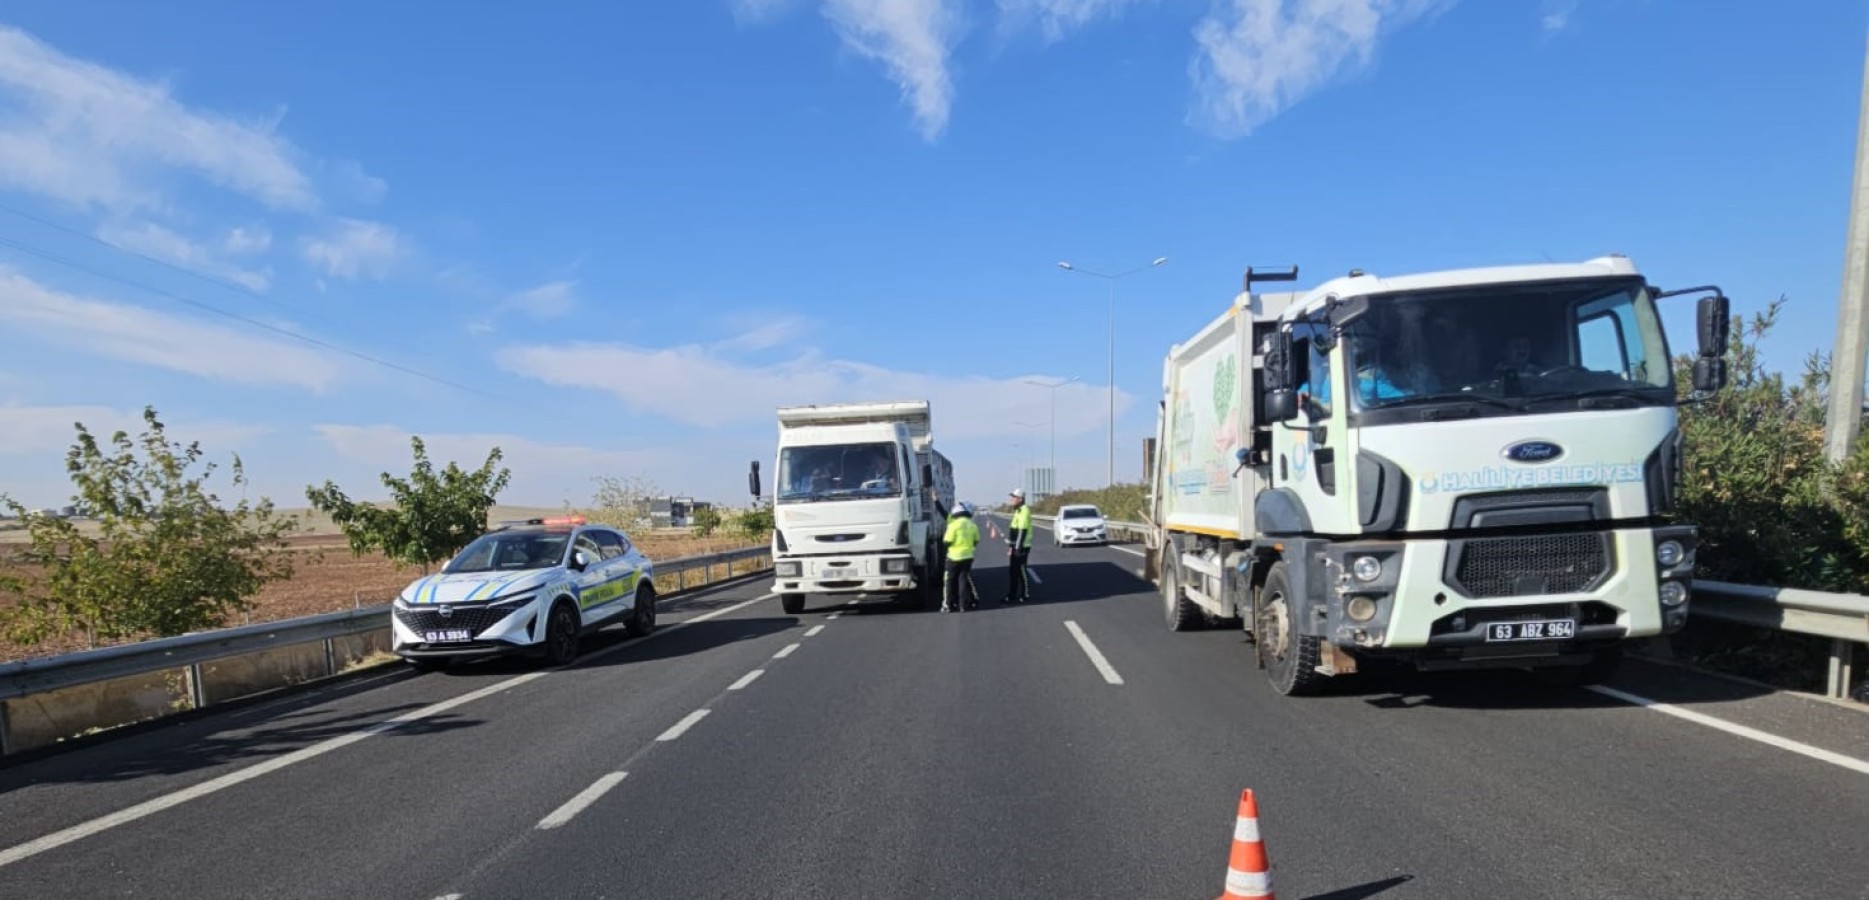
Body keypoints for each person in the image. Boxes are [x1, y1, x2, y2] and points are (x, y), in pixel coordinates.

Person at [942, 502, 981, 613]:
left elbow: (947, 542)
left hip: (953, 557)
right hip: (967, 557)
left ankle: (948, 605)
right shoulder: (972, 524)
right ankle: (963, 605)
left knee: (949, 581)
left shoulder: (953, 525)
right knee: (963, 580)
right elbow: (976, 541)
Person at [1004, 488, 1033, 604]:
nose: (1011, 500)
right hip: (1015, 546)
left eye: (1014, 497)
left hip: (1022, 547)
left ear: (1020, 499)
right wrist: (1011, 548)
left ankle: (1025, 594)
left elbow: (1022, 531)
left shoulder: (1024, 511)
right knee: (1013, 571)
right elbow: (1014, 531)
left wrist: (1017, 548)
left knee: (1021, 570)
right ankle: (1012, 595)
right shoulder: (1018, 511)